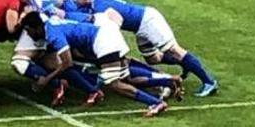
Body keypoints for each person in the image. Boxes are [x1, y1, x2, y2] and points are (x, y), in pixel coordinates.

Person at [65, 0, 218, 96]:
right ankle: (187, 65)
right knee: (153, 58)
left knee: (175, 51)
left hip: (148, 21)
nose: (73, 0)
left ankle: (209, 82)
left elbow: (116, 21)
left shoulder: (101, 6)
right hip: (139, 26)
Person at [21, 12, 170, 117]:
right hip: (107, 34)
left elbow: (67, 63)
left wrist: (46, 80)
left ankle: (155, 103)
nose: (28, 34)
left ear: (36, 27)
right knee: (127, 78)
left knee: (113, 83)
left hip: (102, 41)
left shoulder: (53, 35)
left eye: (28, 31)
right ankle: (169, 81)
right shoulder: (50, 23)